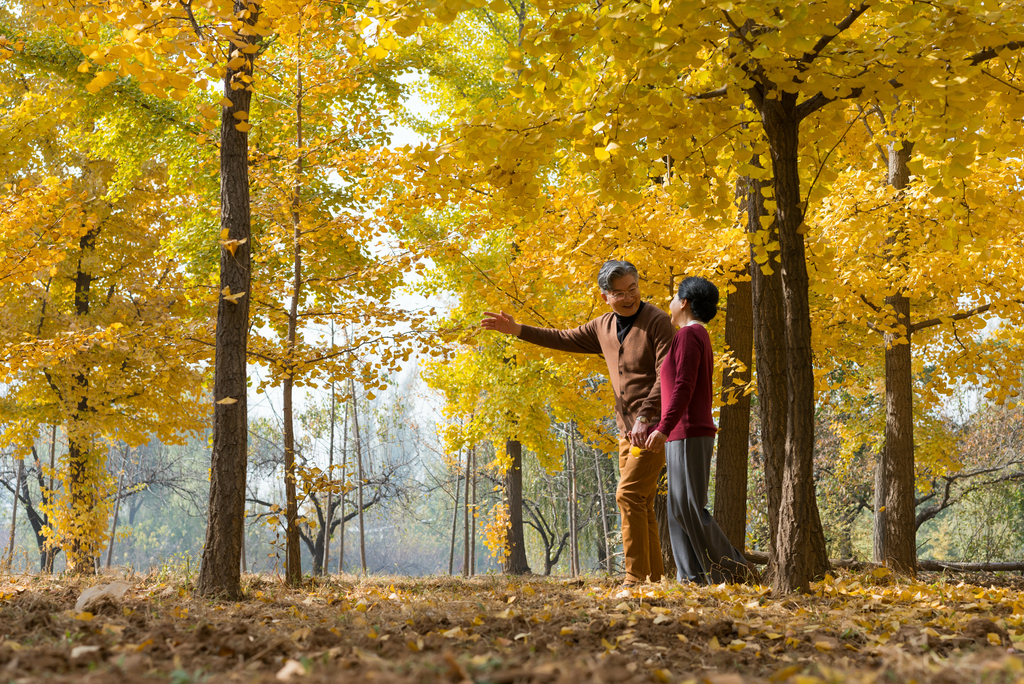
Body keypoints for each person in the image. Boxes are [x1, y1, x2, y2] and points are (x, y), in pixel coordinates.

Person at [481, 260, 675, 586]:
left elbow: (666, 373)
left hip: (653, 427)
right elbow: (563, 338)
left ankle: (634, 580)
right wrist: (517, 331)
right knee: (640, 501)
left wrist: (646, 417)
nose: (628, 298)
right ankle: (654, 581)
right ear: (605, 297)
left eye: (633, 289)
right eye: (619, 293)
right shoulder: (603, 326)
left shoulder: (658, 322)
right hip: (625, 429)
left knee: (627, 496)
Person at [645, 276, 755, 584]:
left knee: (689, 506)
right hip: (680, 431)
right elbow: (673, 389)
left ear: (684, 302)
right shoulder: (689, 335)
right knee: (677, 508)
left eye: (673, 297)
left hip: (688, 431)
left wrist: (664, 428)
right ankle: (690, 578)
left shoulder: (690, 335)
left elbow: (685, 386)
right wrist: (658, 426)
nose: (668, 303)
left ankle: (737, 569)